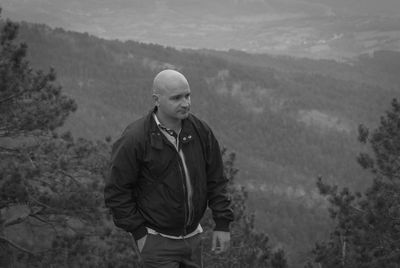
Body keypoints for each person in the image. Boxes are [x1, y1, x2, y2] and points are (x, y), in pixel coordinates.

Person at [104, 69, 234, 267]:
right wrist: (139, 233)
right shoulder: (135, 139)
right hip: (157, 243)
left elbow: (216, 180)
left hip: (193, 240)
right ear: (157, 100)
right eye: (176, 98)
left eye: (187, 95)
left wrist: (222, 223)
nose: (186, 103)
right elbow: (117, 191)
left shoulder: (200, 131)